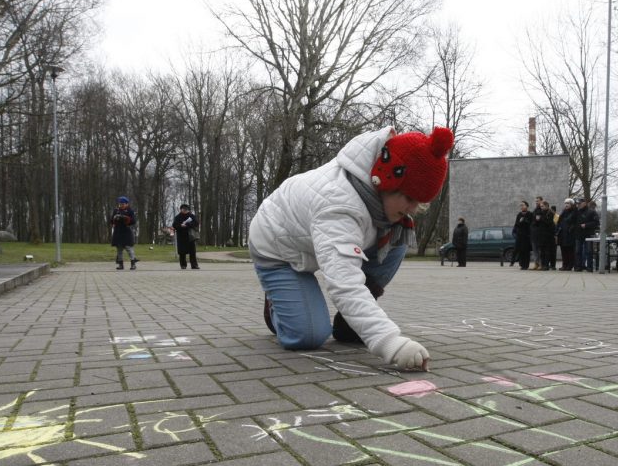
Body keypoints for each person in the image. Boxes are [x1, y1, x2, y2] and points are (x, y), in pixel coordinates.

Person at [248, 125, 454, 371]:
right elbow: (345, 283)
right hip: (278, 248)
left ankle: (349, 323)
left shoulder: (375, 197)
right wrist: (389, 341)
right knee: (308, 336)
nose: (412, 209)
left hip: (314, 240)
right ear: (388, 179)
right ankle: (276, 304)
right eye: (409, 198)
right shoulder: (339, 206)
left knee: (397, 237)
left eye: (418, 202)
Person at [110, 196, 138, 270]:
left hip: (126, 232)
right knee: (119, 249)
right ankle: (120, 264)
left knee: (129, 248)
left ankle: (133, 263)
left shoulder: (130, 211)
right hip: (118, 232)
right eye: (120, 204)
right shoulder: (116, 211)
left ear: (126, 204)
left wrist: (126, 218)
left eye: (122, 204)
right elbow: (111, 221)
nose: (121, 205)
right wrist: (115, 218)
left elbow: (133, 221)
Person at [172, 203, 200, 269]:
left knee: (192, 252)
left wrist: (188, 225)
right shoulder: (177, 217)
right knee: (182, 252)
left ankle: (194, 265)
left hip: (190, 236)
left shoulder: (191, 216)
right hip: (181, 236)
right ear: (181, 209)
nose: (185, 211)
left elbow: (196, 223)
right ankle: (183, 265)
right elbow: (174, 225)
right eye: (183, 209)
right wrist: (180, 226)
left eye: (186, 210)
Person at [532, 200, 556, 270]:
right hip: (541, 235)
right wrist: (536, 220)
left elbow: (549, 223)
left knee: (547, 251)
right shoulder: (540, 212)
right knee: (542, 251)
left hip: (548, 235)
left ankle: (546, 265)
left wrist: (541, 219)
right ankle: (542, 264)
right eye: (541, 206)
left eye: (542, 206)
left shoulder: (550, 213)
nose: (541, 208)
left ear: (546, 206)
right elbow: (536, 224)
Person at [579, 199, 601, 272]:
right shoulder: (580, 211)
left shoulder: (591, 212)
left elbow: (596, 223)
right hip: (584, 234)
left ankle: (587, 266)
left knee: (587, 251)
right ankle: (585, 266)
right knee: (584, 251)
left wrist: (586, 225)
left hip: (588, 234)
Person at [510, 201, 532, 269]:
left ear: (527, 206)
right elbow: (516, 224)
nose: (521, 207)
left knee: (526, 251)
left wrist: (524, 220)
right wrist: (515, 231)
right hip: (519, 235)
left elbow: (531, 224)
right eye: (521, 205)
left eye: (523, 205)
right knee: (520, 250)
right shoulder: (519, 214)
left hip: (527, 236)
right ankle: (521, 264)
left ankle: (526, 265)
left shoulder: (530, 214)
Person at [529, 196, 544, 269]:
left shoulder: (542, 209)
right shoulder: (535, 210)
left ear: (541, 201)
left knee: (540, 250)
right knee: (535, 250)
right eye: (536, 201)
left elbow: (539, 221)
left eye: (538, 201)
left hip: (540, 232)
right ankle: (536, 263)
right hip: (534, 232)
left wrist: (536, 221)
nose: (536, 202)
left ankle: (541, 264)